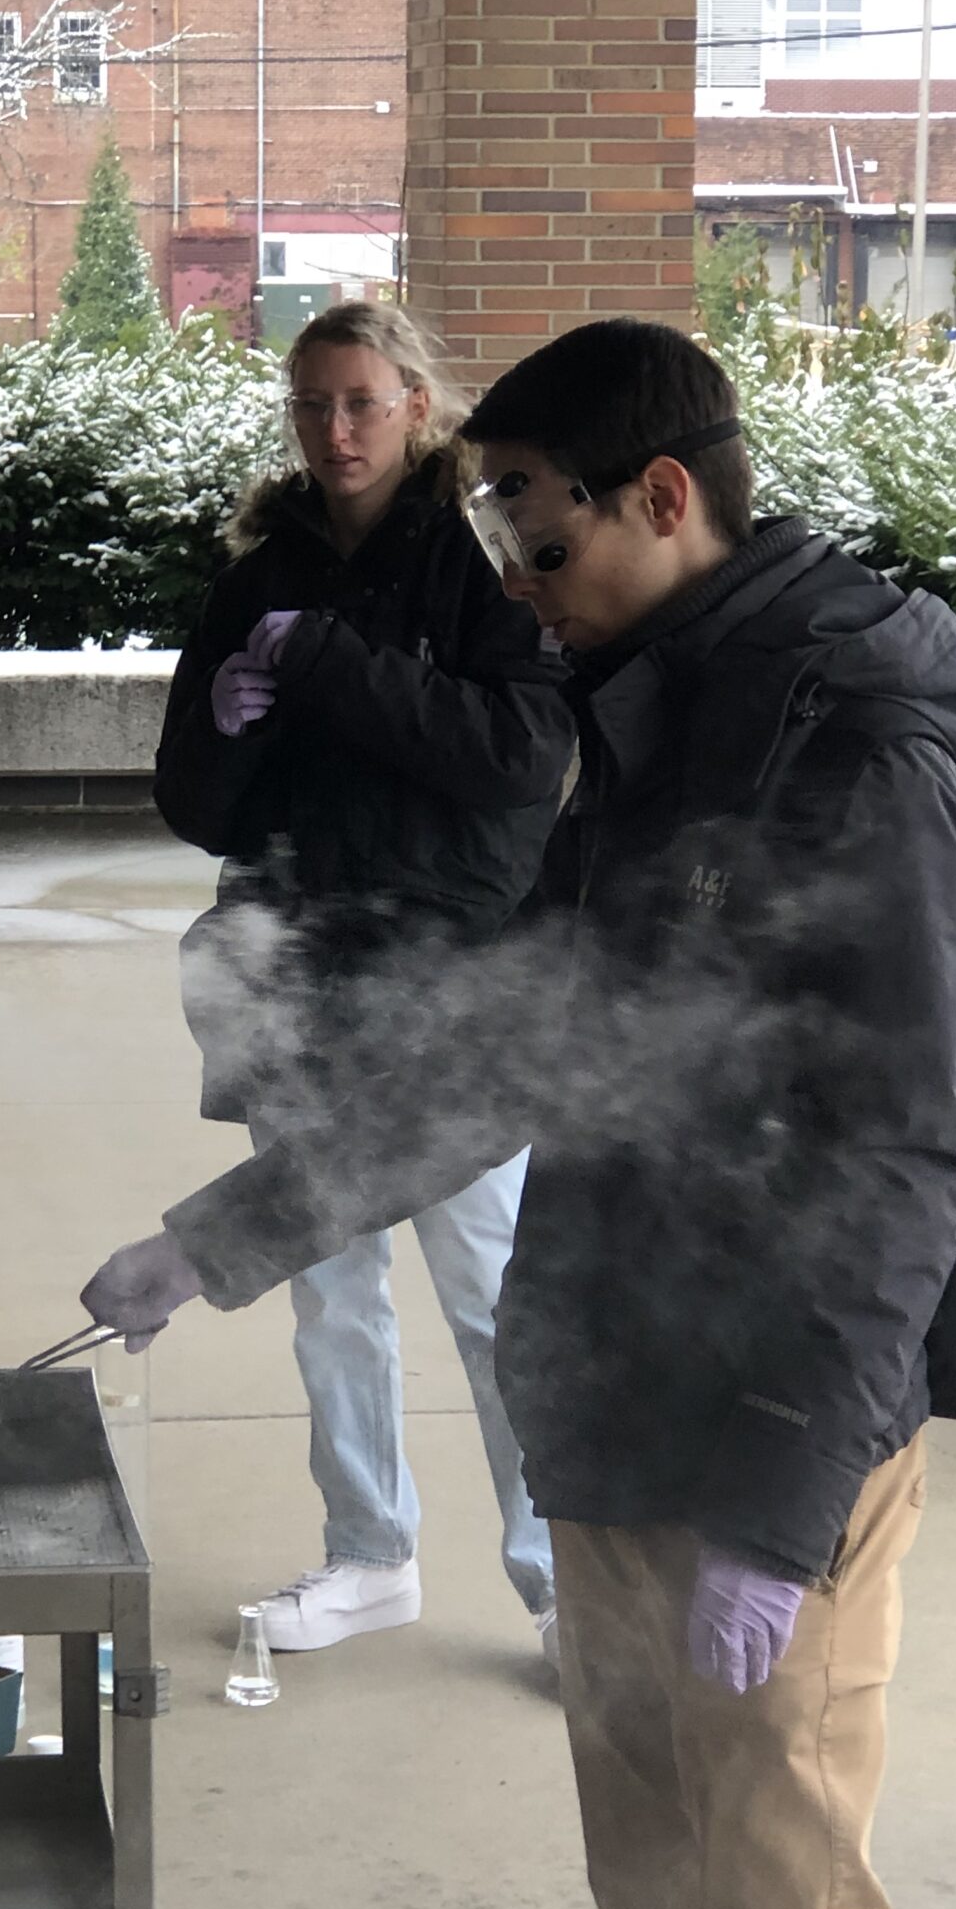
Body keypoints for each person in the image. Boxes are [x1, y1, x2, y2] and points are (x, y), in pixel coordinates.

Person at [84, 316, 956, 1909]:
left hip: (777, 1441)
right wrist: (220, 1238)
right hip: (620, 1403)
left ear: (665, 496)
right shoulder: (658, 711)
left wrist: (783, 1514)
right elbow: (520, 1050)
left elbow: (897, 1149)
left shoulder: (860, 741)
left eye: (536, 520)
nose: (511, 567)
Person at [154, 300, 568, 1661]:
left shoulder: (483, 553)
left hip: (447, 982)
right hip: (292, 972)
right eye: (313, 405)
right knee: (326, 1279)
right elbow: (197, 802)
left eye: (362, 403)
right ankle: (368, 1554)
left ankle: (560, 1580)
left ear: (417, 406)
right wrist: (222, 733)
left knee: (488, 1289)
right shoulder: (258, 570)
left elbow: (519, 758)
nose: (336, 431)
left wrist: (329, 665)